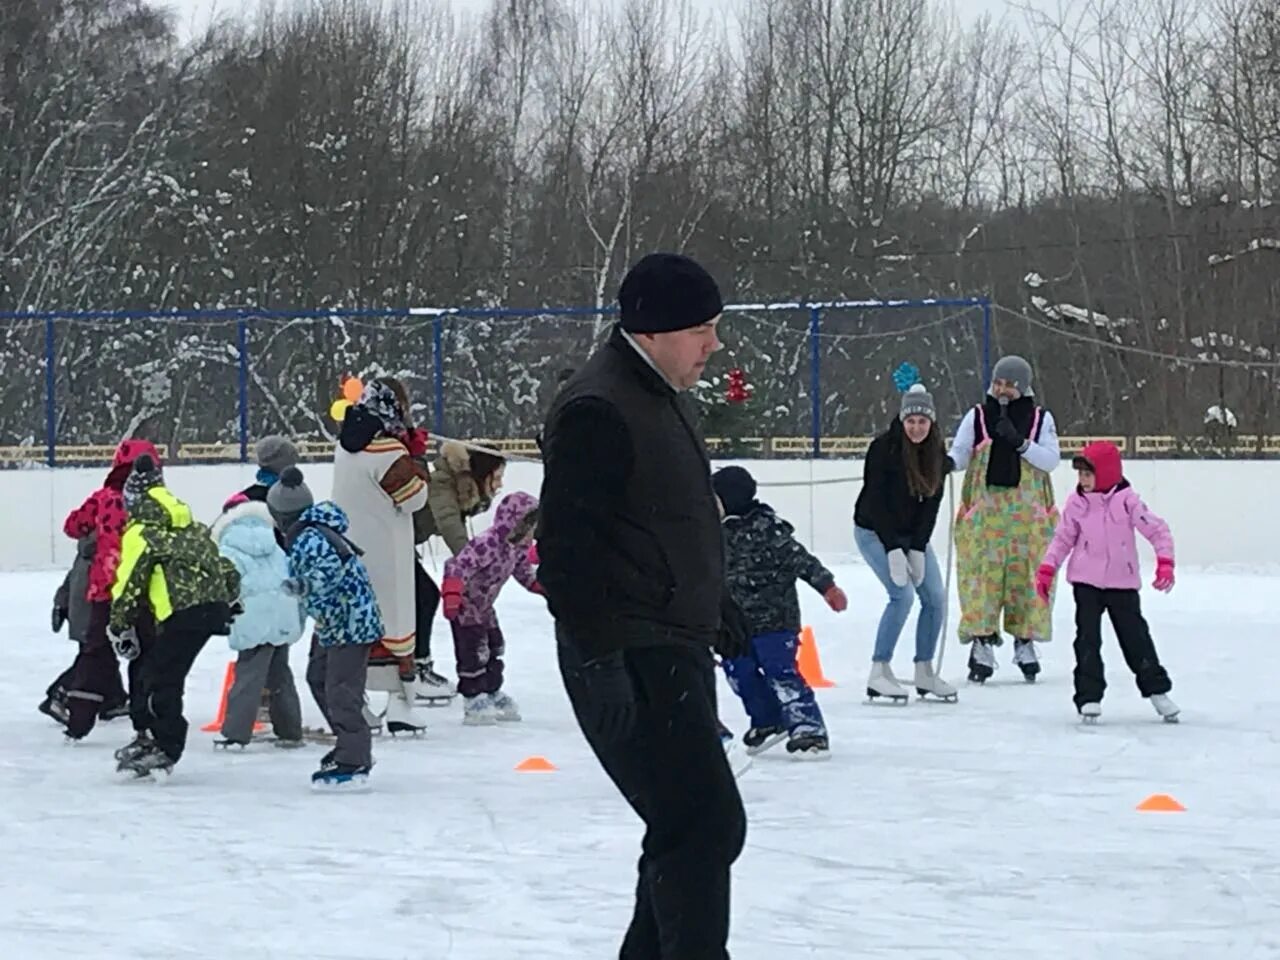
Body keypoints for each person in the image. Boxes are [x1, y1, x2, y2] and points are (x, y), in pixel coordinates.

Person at [538, 251, 747, 959]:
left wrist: (714, 600)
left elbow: (667, 519)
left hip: (669, 638)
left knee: (690, 827)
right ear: (655, 329)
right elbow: (567, 548)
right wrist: (599, 657)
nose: (713, 345)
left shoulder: (655, 393)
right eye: (703, 329)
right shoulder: (599, 407)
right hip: (628, 649)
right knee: (701, 825)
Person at [109, 454, 241, 778]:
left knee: (160, 679)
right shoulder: (192, 529)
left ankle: (166, 747)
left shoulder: (142, 533)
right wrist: (231, 598)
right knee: (157, 674)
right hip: (209, 611)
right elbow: (226, 567)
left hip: (184, 615)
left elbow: (128, 583)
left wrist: (119, 626)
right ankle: (152, 737)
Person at [1035, 441, 1180, 723]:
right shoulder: (1077, 503)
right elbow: (1063, 539)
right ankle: (1088, 696)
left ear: (1106, 473)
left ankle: (1157, 691)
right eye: (1080, 475)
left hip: (1121, 583)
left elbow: (1157, 530)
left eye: (1088, 475)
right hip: (1086, 583)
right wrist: (1047, 569)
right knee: (1087, 640)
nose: (1083, 481)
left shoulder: (1128, 501)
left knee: (1136, 638)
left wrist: (1165, 562)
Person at [712, 465, 846, 757]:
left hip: (775, 620)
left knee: (780, 671)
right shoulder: (713, 533)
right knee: (739, 672)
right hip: (734, 625)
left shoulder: (768, 528)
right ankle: (768, 720)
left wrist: (828, 587)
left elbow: (802, 560)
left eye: (716, 498)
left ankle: (808, 727)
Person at [948, 355, 1060, 684]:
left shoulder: (1041, 420)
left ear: (1023, 388)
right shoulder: (979, 416)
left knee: (1027, 578)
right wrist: (941, 463)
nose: (1003, 391)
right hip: (986, 519)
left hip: (1029, 521)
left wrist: (1020, 443)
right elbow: (961, 452)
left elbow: (1050, 460)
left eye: (1010, 385)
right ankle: (981, 642)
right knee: (982, 577)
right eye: (998, 383)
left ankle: (1024, 641)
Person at [272, 469, 385, 788]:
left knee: (341, 691)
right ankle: (348, 743)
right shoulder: (309, 532)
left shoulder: (311, 537)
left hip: (350, 624)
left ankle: (354, 758)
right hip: (335, 623)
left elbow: (328, 572)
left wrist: (301, 585)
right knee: (318, 677)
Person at [332, 377, 431, 734]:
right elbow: (415, 498)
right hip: (387, 553)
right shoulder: (389, 453)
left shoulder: (344, 447)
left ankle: (357, 702)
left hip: (349, 551)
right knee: (395, 626)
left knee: (360, 629)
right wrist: (416, 458)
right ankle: (399, 703)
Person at [853, 382, 956, 702]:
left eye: (922, 421)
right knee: (901, 595)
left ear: (932, 422)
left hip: (912, 536)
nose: (916, 427)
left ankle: (924, 670)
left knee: (935, 598)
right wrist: (894, 549)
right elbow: (876, 503)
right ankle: (879, 670)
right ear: (901, 419)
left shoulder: (936, 452)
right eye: (910, 421)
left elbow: (931, 504)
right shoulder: (884, 448)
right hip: (874, 531)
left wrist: (917, 547)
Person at [58, 438, 162, 740]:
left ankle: (78, 722)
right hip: (143, 589)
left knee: (95, 653)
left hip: (106, 586)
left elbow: (72, 526)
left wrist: (96, 534)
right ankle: (145, 722)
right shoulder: (157, 499)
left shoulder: (104, 498)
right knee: (145, 654)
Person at [409, 440, 507, 705]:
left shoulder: (457, 484)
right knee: (425, 596)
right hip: (386, 540)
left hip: (400, 543)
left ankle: (415, 665)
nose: (499, 485)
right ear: (480, 472)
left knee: (422, 597)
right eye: (496, 478)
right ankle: (415, 669)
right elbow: (450, 525)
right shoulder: (442, 484)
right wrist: (473, 566)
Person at [210, 491, 306, 747]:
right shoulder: (272, 543)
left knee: (249, 675)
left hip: (253, 617)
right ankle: (290, 730)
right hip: (283, 612)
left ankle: (235, 733)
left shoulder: (228, 547)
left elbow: (227, 584)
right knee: (279, 674)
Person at [440, 491, 543, 724]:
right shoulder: (487, 544)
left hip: (485, 607)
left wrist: (545, 588)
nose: (532, 536)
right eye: (529, 529)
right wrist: (452, 594)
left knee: (495, 646)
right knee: (473, 651)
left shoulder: (516, 550)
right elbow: (458, 566)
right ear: (515, 524)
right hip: (465, 607)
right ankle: (473, 697)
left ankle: (491, 689)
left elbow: (525, 574)